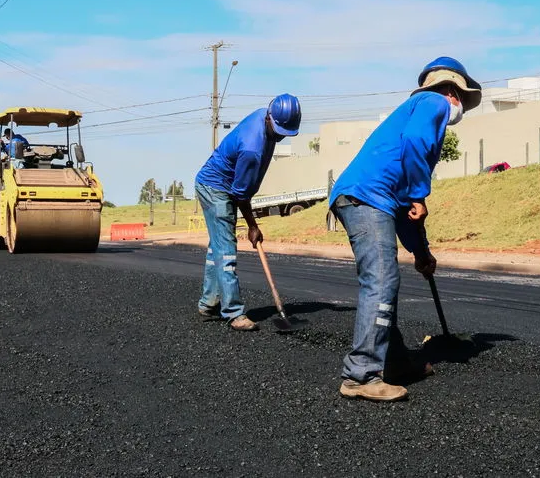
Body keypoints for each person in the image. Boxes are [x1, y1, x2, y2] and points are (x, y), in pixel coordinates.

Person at [329, 56, 482, 402]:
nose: (459, 111)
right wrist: (419, 193)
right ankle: (360, 375)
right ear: (452, 90)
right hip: (365, 197)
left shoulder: (412, 116)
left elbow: (408, 213)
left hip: (370, 198)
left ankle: (394, 362)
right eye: (462, 100)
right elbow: (414, 160)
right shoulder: (433, 102)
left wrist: (422, 253)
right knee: (381, 279)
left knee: (386, 281)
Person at [194, 94, 302, 331]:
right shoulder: (253, 146)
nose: (282, 135)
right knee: (226, 251)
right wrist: (253, 226)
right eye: (280, 130)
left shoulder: (265, 115)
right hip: (215, 188)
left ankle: (208, 303)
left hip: (224, 186)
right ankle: (233, 313)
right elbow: (241, 195)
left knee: (218, 246)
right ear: (270, 120)